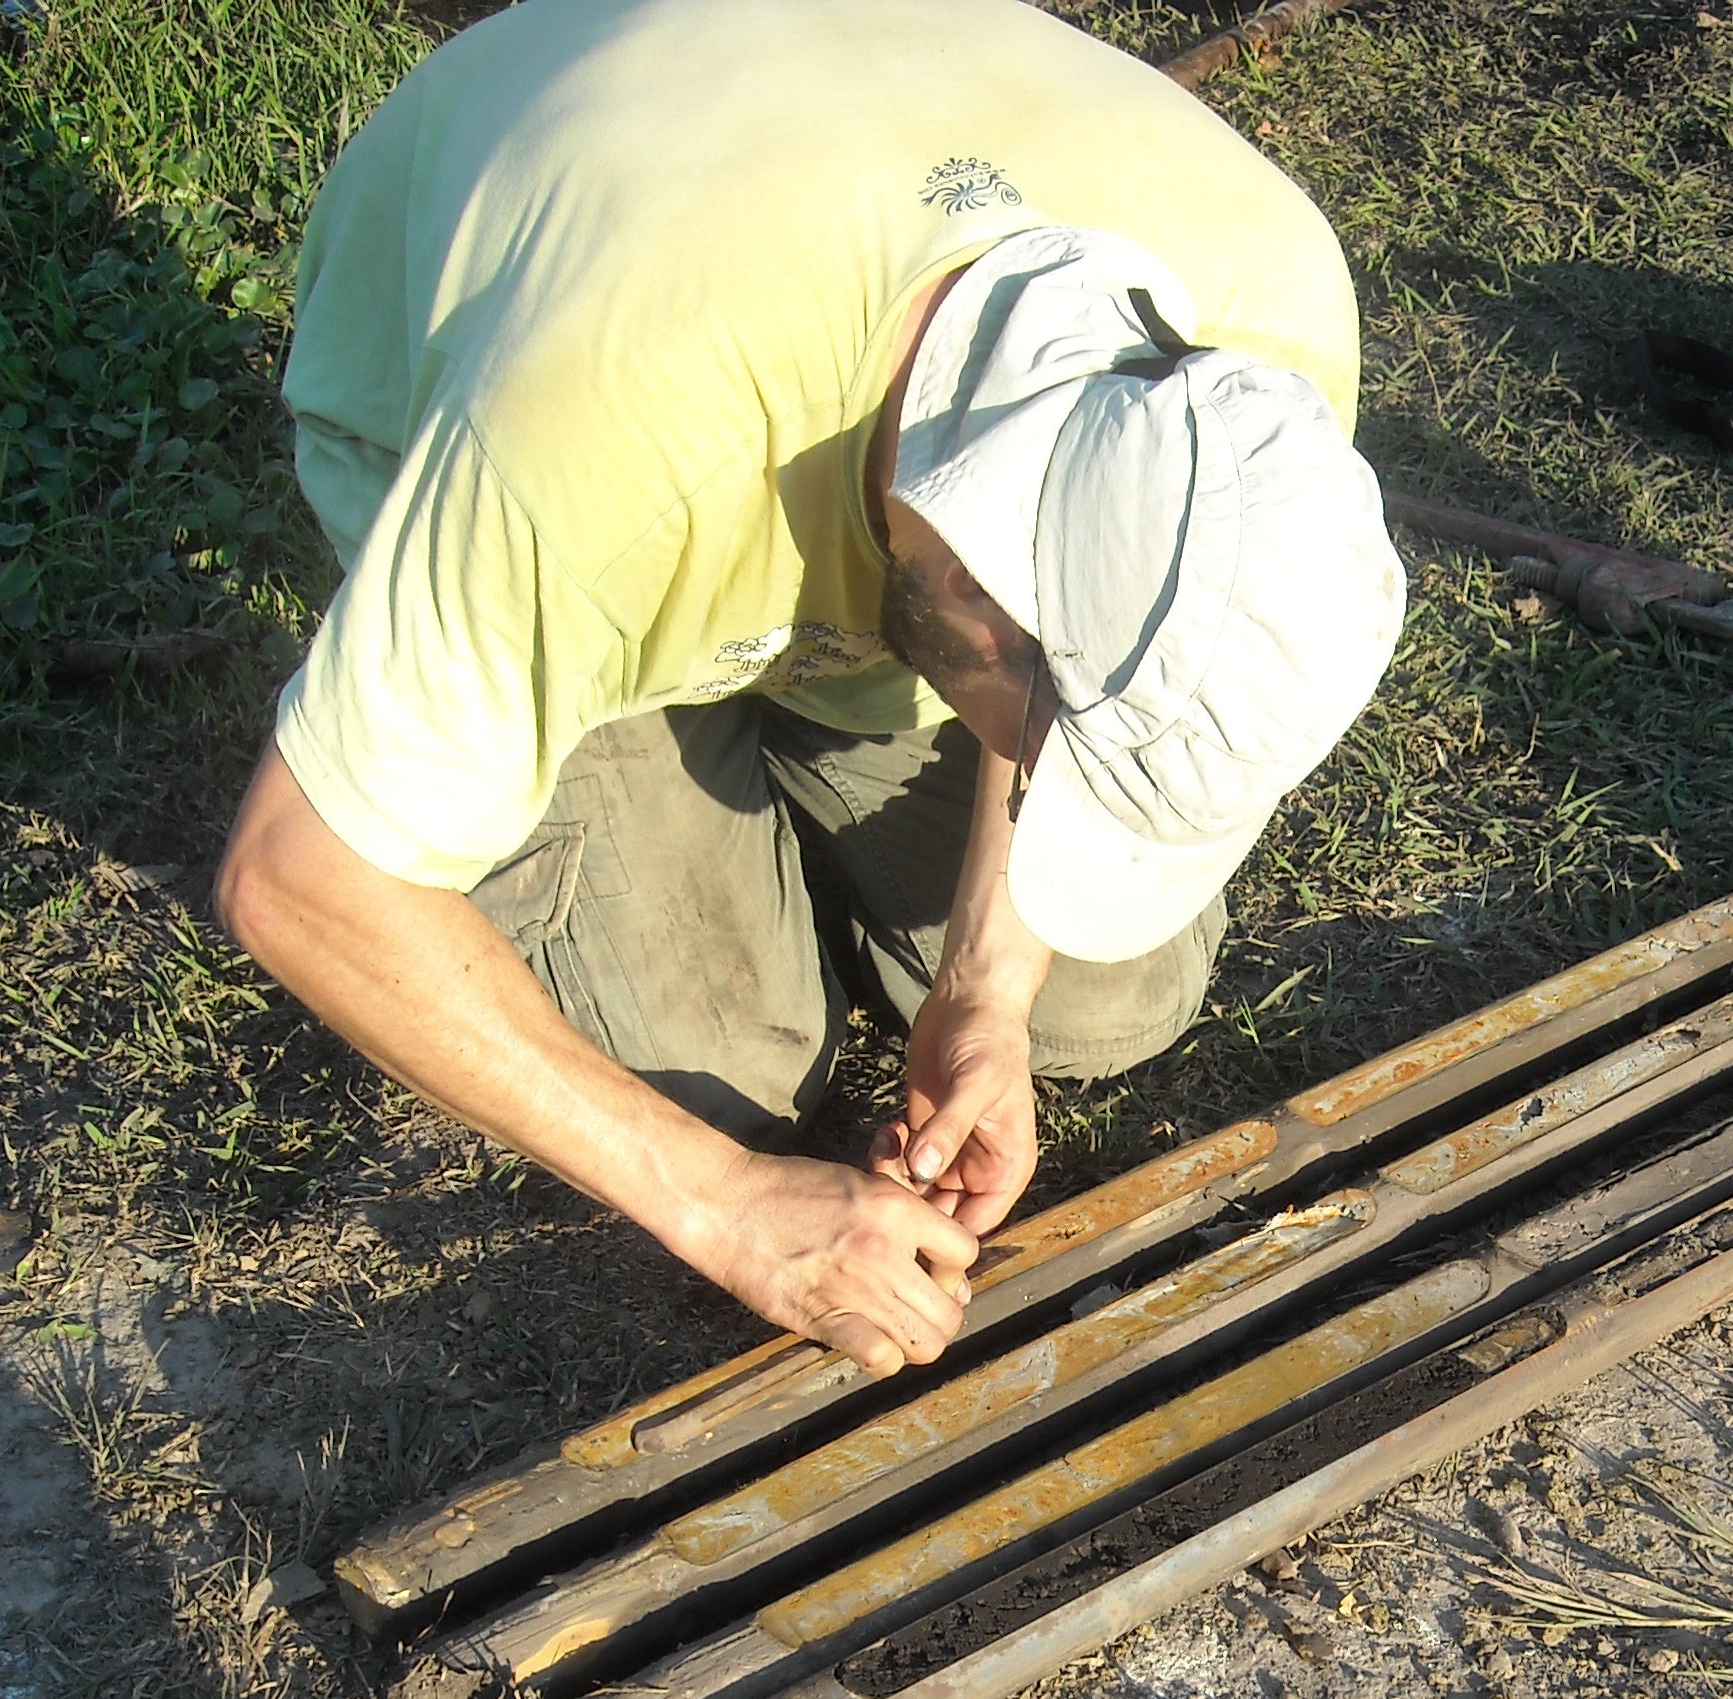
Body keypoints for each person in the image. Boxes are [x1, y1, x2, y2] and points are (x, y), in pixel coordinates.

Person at [215, 0, 1404, 1378]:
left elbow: (1108, 653)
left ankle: (794, 761)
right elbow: (297, 877)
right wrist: (722, 1207)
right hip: (551, 405)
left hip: (814, 316)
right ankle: (645, 709)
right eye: (1059, 747)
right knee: (711, 1056)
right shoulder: (595, 442)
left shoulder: (1270, 345)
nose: (1048, 770)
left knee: (1104, 1002)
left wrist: (984, 993)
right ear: (975, 587)